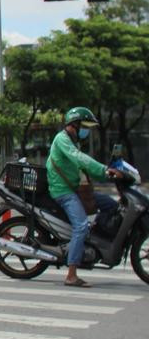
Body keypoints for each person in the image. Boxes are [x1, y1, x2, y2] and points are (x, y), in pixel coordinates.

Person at [48, 106, 119, 288]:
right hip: (63, 191)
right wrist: (103, 169)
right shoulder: (62, 140)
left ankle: (92, 239)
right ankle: (71, 275)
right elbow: (79, 159)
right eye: (85, 126)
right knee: (80, 226)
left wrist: (108, 173)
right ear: (74, 125)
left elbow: (85, 167)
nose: (87, 130)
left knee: (111, 205)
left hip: (76, 189)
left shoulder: (73, 142)